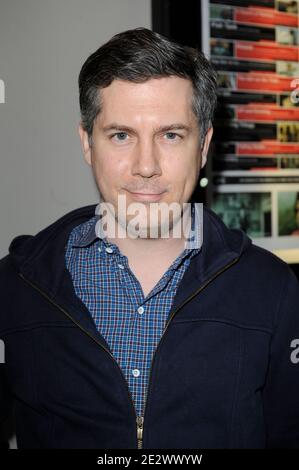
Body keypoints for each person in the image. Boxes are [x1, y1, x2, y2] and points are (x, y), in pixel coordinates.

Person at [0, 27, 299, 449]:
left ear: (204, 145)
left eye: (170, 135)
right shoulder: (14, 287)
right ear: (87, 142)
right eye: (121, 135)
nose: (146, 166)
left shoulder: (273, 290)